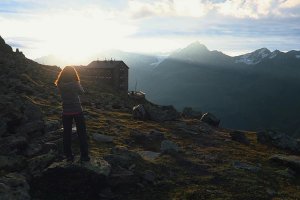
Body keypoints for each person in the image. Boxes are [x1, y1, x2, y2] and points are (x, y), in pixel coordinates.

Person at [54, 66, 90, 163]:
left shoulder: (60, 84)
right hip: (77, 110)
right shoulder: (75, 83)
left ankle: (69, 156)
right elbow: (82, 92)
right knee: (81, 133)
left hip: (66, 111)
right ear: (73, 74)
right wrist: (77, 85)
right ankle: (84, 156)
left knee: (67, 134)